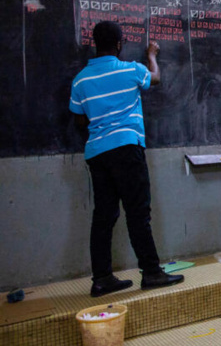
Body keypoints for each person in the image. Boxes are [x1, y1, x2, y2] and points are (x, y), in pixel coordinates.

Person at [69, 21, 183, 298]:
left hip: (97, 153)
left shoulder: (80, 80)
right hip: (127, 148)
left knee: (104, 216)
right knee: (137, 212)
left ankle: (102, 279)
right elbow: (154, 78)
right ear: (119, 44)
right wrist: (152, 56)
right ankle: (152, 272)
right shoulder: (130, 69)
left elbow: (79, 119)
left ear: (95, 43)